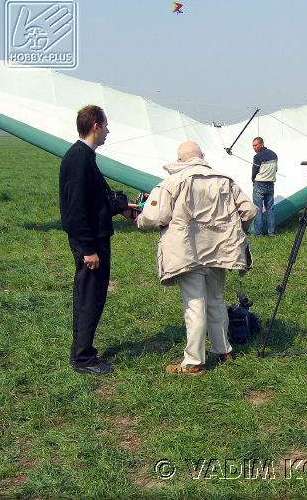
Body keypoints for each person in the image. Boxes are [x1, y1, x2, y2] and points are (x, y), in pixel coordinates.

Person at [137, 141, 257, 375]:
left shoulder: (172, 181)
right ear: (202, 156)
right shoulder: (225, 179)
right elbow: (249, 210)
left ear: (181, 160)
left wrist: (140, 219)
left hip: (187, 252)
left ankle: (193, 362)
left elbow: (155, 216)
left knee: (194, 305)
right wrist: (236, 229)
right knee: (216, 301)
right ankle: (223, 351)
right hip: (220, 251)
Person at [59, 105, 134, 376]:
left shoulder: (83, 155)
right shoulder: (80, 158)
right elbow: (77, 207)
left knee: (90, 296)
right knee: (90, 298)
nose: (108, 131)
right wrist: (88, 249)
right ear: (95, 126)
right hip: (90, 243)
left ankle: (83, 351)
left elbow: (94, 199)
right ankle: (83, 358)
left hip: (92, 239)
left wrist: (121, 206)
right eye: (106, 125)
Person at [251, 136, 278, 236]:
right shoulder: (274, 154)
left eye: (256, 145)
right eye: (253, 146)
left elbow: (254, 171)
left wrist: (253, 180)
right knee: (270, 209)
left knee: (258, 209)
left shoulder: (257, 157)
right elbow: (276, 169)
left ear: (262, 144)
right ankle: (271, 232)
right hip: (270, 184)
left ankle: (258, 233)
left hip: (260, 184)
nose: (254, 147)